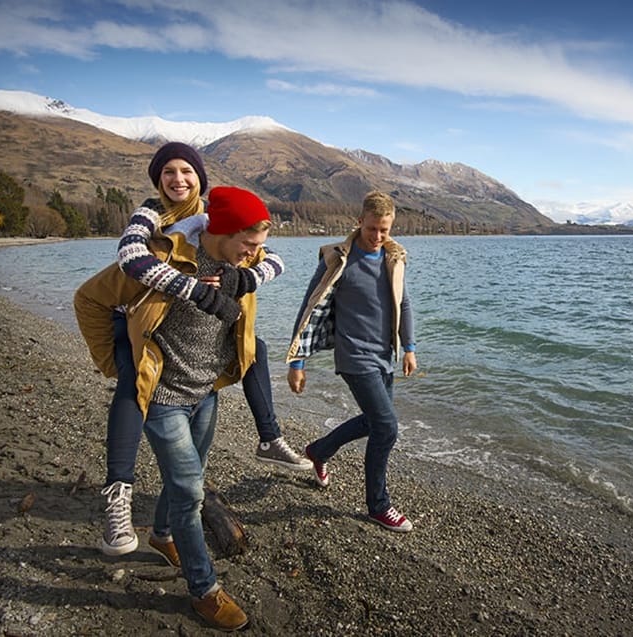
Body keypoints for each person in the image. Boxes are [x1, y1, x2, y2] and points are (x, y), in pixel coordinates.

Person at [75, 186, 279, 630]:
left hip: (207, 392)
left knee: (189, 478)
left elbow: (275, 266)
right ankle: (203, 589)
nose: (256, 254)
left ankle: (162, 535)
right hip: (164, 398)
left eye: (259, 246)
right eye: (250, 244)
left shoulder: (241, 263)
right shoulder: (161, 259)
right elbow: (88, 298)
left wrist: (251, 269)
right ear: (221, 231)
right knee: (189, 490)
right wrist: (116, 362)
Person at [93, 142, 307, 560]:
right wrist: (191, 288)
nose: (178, 179)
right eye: (169, 171)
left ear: (200, 178)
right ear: (158, 178)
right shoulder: (150, 212)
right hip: (133, 314)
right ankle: (118, 495)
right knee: (130, 386)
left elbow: (272, 257)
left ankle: (269, 437)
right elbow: (130, 256)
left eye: (187, 171)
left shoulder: (214, 217)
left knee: (255, 348)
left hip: (184, 332)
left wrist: (247, 279)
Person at [285, 190, 418, 532]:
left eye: (384, 230)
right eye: (372, 229)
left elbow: (403, 305)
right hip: (353, 356)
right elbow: (310, 307)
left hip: (383, 356)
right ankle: (378, 505)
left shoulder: (394, 258)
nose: (377, 237)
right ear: (360, 222)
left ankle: (318, 451)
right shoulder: (337, 260)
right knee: (387, 427)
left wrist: (409, 347)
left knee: (374, 422)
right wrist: (297, 362)